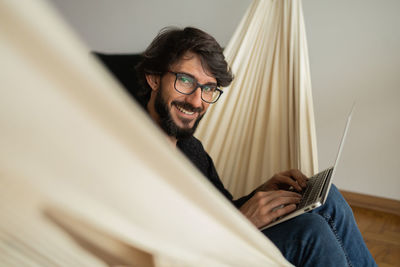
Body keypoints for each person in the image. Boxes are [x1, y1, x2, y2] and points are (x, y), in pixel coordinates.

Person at [134, 26, 376, 266]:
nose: (197, 101)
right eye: (186, 80)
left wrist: (261, 194)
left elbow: (222, 208)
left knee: (327, 198)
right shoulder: (129, 152)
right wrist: (240, 223)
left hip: (222, 239)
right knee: (310, 233)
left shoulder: (190, 148)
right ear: (154, 78)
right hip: (197, 257)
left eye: (208, 88)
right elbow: (154, 249)